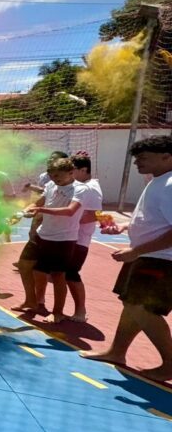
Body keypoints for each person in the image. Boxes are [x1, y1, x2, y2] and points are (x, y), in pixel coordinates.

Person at [83, 136, 172, 383]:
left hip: (161, 260)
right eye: (136, 158)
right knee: (131, 305)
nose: (137, 163)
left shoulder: (170, 184)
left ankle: (169, 364)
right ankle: (117, 352)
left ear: (166, 156)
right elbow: (155, 219)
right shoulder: (158, 181)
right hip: (147, 256)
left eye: (143, 158)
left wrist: (135, 251)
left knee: (142, 308)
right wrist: (123, 226)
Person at [19, 158, 85, 322]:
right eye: (53, 176)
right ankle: (31, 301)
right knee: (25, 265)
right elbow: (39, 201)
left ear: (71, 173)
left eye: (59, 176)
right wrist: (27, 209)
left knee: (57, 276)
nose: (55, 179)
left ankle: (57, 313)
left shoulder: (80, 189)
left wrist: (40, 209)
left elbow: (70, 211)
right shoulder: (50, 185)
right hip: (42, 235)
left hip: (63, 239)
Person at [64, 152, 102, 322]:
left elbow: (94, 215)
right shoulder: (79, 185)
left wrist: (63, 217)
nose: (70, 175)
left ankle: (81, 311)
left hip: (79, 240)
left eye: (73, 171)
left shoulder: (91, 188)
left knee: (71, 274)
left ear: (84, 170)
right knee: (62, 273)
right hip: (69, 237)